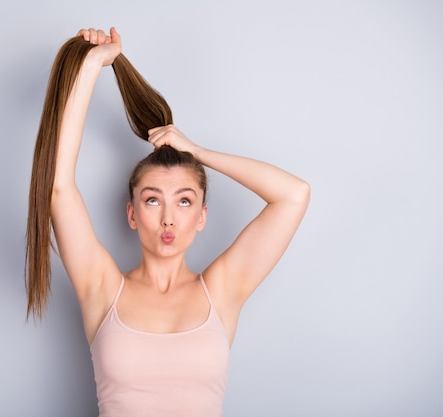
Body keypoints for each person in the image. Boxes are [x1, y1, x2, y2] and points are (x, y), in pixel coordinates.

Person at [27, 27, 310, 417]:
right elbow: (59, 188)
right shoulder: (103, 288)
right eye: (152, 200)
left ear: (201, 218)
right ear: (131, 214)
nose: (168, 217)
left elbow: (294, 195)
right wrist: (93, 64)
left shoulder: (222, 290)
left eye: (184, 200)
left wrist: (197, 151)